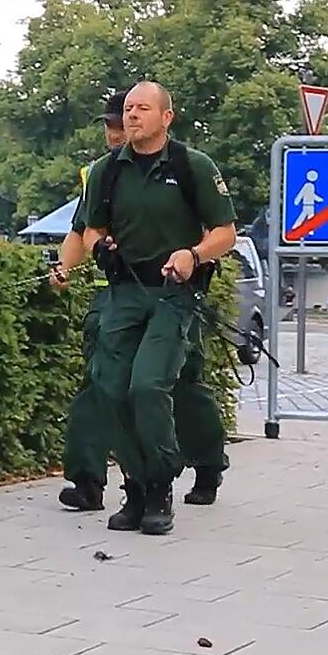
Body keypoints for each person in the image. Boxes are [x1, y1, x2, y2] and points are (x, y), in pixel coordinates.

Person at [54, 90, 230, 513]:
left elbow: (225, 231)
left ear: (167, 117)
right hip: (123, 292)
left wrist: (193, 255)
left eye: (140, 110)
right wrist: (96, 251)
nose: (129, 120)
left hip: (175, 294)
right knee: (111, 389)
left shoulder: (193, 166)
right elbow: (87, 229)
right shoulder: (104, 172)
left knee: (156, 386)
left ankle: (185, 472)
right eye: (126, 112)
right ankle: (136, 484)